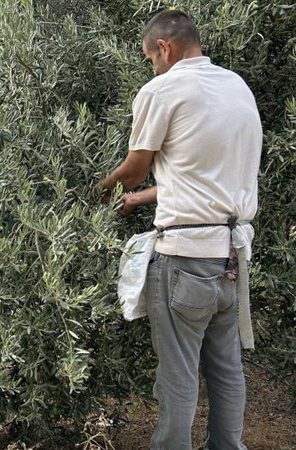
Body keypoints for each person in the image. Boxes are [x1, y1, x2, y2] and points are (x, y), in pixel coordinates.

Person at [98, 10, 261, 450]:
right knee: (226, 369)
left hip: (185, 258)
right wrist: (144, 198)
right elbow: (202, 178)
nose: (151, 67)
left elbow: (134, 170)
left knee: (178, 374)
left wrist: (101, 191)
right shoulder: (236, 87)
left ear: (164, 48)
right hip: (231, 256)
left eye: (150, 58)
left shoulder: (163, 88)